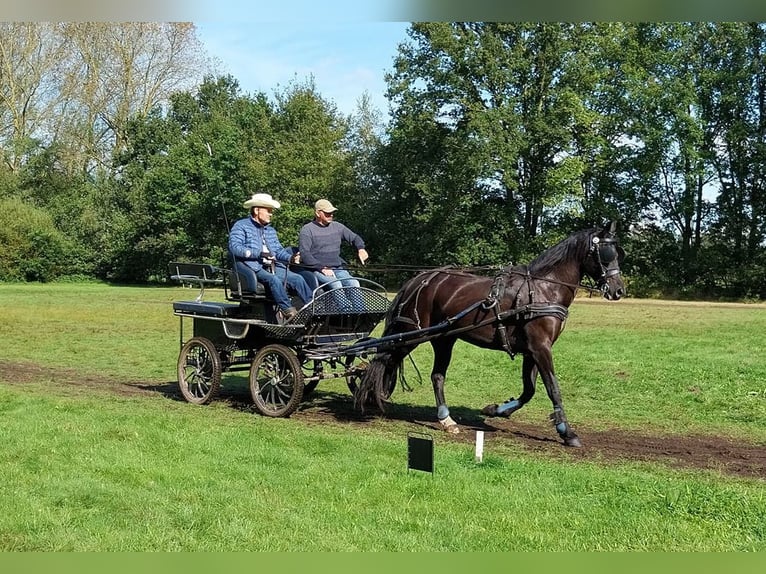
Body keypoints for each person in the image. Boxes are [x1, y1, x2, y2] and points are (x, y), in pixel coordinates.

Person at [228, 193, 313, 321]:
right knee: (273, 280)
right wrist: (258, 253)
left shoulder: (270, 231)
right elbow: (234, 247)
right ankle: (288, 311)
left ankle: (314, 308)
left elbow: (278, 251)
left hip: (273, 266)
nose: (271, 214)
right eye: (268, 210)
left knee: (298, 279)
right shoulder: (241, 226)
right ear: (257, 210)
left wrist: (291, 258)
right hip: (252, 267)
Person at [298, 199, 369, 311]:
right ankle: (346, 313)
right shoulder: (307, 230)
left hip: (338, 268)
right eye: (327, 213)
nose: (331, 215)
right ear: (318, 213)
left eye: (331, 212)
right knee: (336, 285)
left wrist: (361, 248)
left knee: (354, 282)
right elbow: (305, 254)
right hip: (317, 270)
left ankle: (361, 313)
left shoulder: (338, 227)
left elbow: (355, 238)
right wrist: (322, 268)